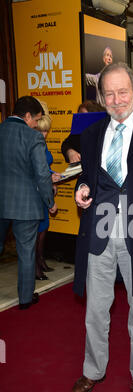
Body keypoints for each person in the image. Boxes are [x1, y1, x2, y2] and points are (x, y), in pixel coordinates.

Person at [71, 63, 133, 392]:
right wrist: (82, 188)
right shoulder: (91, 134)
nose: (116, 99)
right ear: (101, 97)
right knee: (95, 310)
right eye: (109, 93)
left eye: (122, 91)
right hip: (98, 232)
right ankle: (92, 370)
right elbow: (89, 176)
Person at [0, 96, 57, 309]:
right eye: (36, 120)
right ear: (26, 116)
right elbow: (42, 175)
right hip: (25, 205)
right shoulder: (33, 137)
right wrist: (49, 201)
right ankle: (25, 299)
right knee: (26, 252)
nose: (36, 124)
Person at [35, 107, 61, 280]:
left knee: (44, 229)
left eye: (46, 131)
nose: (44, 134)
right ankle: (36, 266)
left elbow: (44, 166)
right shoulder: (34, 144)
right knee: (38, 230)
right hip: (36, 192)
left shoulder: (41, 142)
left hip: (44, 188)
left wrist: (52, 174)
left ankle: (41, 261)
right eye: (41, 130)